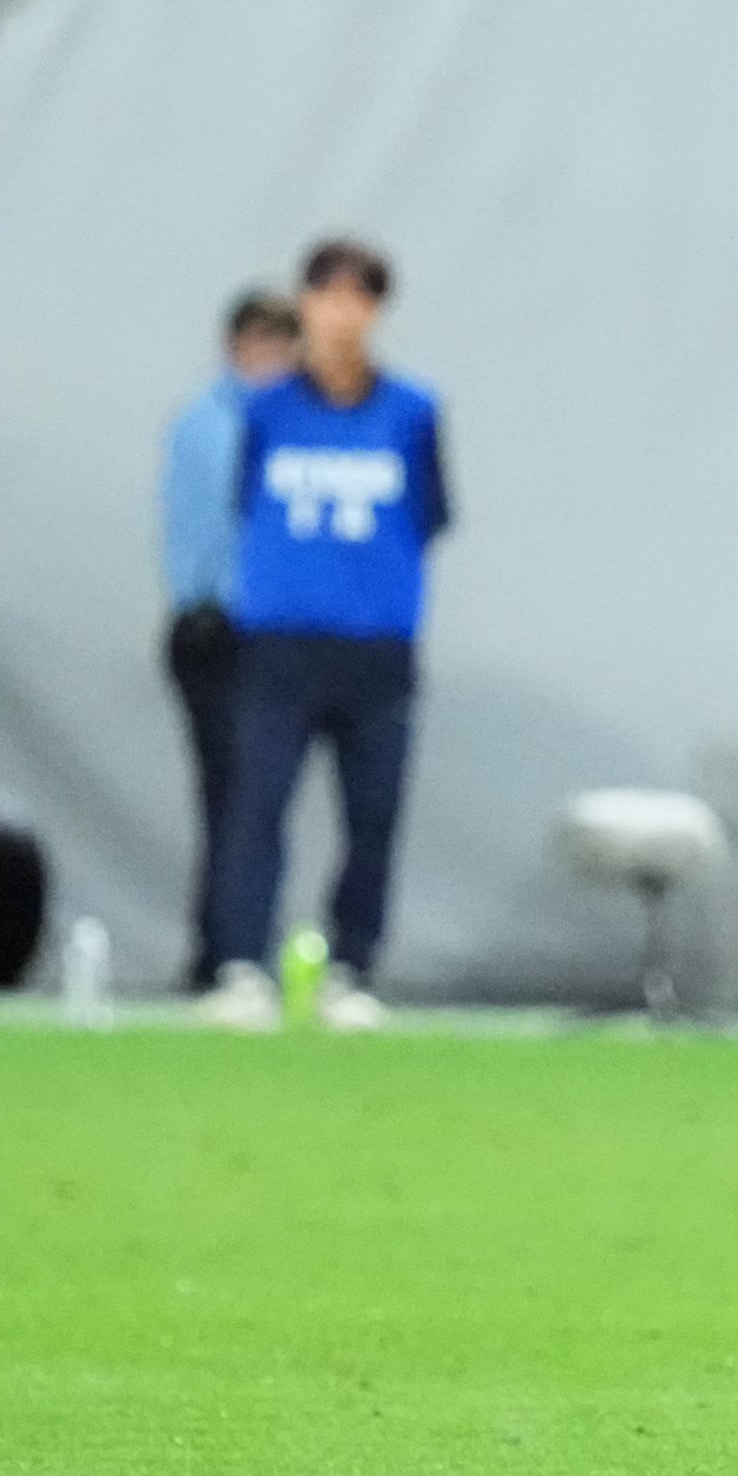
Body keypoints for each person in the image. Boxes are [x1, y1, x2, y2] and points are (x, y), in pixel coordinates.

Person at [198, 240, 450, 1034]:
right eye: (327, 296)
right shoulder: (267, 410)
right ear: (305, 305)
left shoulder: (412, 413)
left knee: (372, 817)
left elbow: (429, 516)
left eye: (358, 298)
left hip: (375, 651)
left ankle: (352, 970)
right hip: (279, 648)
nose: (341, 314)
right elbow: (248, 504)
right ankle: (242, 968)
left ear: (377, 311)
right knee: (256, 810)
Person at [160, 289, 300, 991]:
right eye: (260, 343)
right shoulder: (216, 424)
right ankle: (226, 950)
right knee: (236, 795)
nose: (270, 358)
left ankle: (228, 945)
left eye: (282, 345)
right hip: (219, 630)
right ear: (235, 346)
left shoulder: (279, 423)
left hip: (263, 632)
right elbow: (231, 530)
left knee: (246, 797)